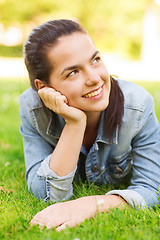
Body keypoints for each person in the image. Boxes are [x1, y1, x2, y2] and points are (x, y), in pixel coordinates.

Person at [20, 19, 160, 231]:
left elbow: (152, 188)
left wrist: (93, 204)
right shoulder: (33, 108)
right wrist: (75, 124)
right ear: (44, 87)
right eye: (73, 72)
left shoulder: (138, 106)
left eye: (95, 60)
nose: (95, 78)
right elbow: (45, 195)